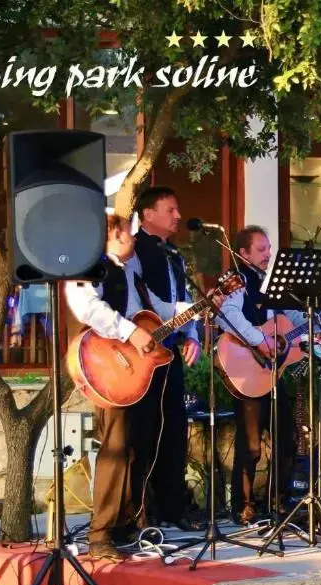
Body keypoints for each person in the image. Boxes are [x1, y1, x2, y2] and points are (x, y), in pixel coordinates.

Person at [65, 215, 221, 560]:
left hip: (135, 371)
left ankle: (128, 523)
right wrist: (129, 331)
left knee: (138, 447)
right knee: (116, 449)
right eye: (125, 234)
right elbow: (87, 308)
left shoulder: (132, 271)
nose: (133, 239)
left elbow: (161, 311)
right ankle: (100, 534)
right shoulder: (93, 268)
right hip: (109, 367)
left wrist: (200, 308)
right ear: (108, 237)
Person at [217, 226, 321, 524]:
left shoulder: (271, 283)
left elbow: (291, 321)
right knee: (250, 445)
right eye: (261, 249)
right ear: (243, 253)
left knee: (288, 439)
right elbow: (228, 316)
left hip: (271, 373)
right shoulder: (239, 280)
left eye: (269, 248)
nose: (268, 254)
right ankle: (243, 506)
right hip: (247, 368)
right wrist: (259, 340)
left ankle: (278, 502)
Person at [131, 186, 202, 530]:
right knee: (144, 429)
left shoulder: (173, 252)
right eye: (170, 210)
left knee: (174, 427)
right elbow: (141, 304)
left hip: (170, 350)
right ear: (148, 214)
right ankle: (142, 509)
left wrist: (192, 335)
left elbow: (183, 299)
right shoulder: (134, 250)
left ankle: (174, 505)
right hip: (140, 353)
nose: (178, 216)